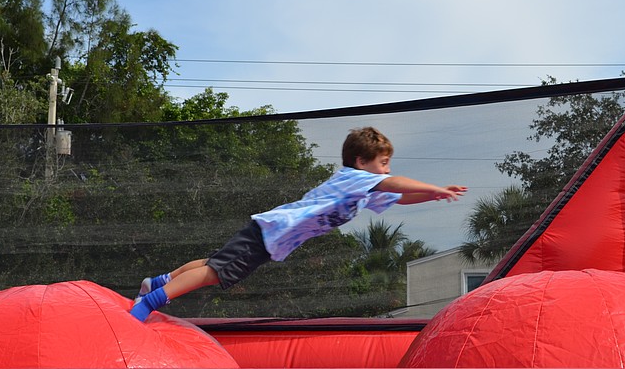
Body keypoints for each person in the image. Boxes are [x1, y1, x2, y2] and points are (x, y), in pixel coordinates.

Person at [129, 126, 467, 321]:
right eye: (383, 163)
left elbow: (399, 196)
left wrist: (432, 196)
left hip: (273, 236)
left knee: (212, 263)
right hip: (273, 231)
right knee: (216, 272)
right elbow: (396, 185)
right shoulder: (353, 178)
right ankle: (151, 302)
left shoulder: (363, 190)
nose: (387, 170)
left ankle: (158, 281)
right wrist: (433, 186)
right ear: (361, 162)